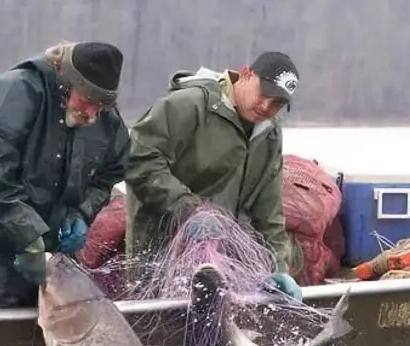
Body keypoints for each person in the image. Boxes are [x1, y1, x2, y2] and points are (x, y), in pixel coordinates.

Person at [0, 41, 131, 310]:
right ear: (67, 86)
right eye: (86, 102)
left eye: (100, 107)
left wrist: (80, 213)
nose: (91, 114)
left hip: (46, 249)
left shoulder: (104, 117)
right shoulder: (18, 91)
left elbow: (110, 172)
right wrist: (26, 233)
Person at [124, 51, 303, 302]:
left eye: (277, 104)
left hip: (225, 267)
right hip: (161, 256)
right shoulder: (187, 105)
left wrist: (279, 270)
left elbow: (269, 212)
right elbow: (138, 159)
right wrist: (189, 210)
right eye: (263, 94)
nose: (266, 107)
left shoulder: (269, 134)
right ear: (246, 74)